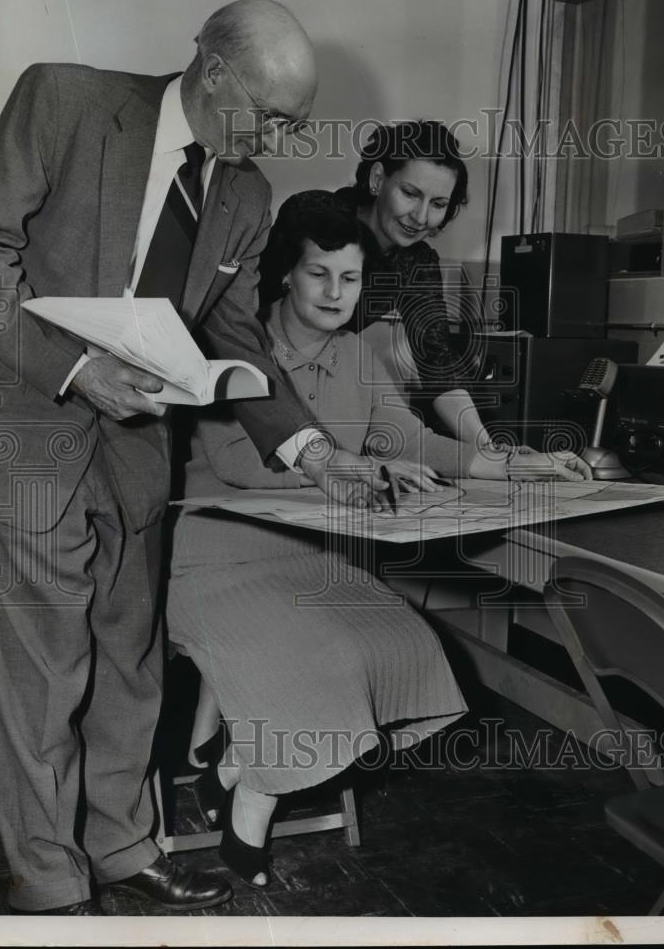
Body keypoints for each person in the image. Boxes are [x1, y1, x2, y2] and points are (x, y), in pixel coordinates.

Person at [0, 0, 386, 917]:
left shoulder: (244, 196)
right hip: (30, 424)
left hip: (140, 445)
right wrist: (76, 367)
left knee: (131, 656)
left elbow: (235, 328)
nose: (277, 138)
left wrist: (313, 451)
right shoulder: (65, 103)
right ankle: (47, 882)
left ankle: (121, 846)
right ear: (213, 70)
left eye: (294, 124)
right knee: (44, 671)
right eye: (270, 116)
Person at [166, 196, 590, 888]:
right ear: (284, 277)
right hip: (220, 554)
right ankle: (254, 795)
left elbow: (412, 439)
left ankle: (243, 757)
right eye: (319, 275)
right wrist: (357, 467)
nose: (336, 294)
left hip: (318, 556)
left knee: (403, 643)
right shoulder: (234, 348)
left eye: (352, 278)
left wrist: (514, 461)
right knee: (322, 654)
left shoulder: (359, 352)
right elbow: (238, 463)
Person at [259, 119, 498, 443]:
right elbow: (252, 310)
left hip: (324, 399)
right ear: (377, 178)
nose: (421, 217)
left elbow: (438, 362)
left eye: (438, 204)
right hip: (257, 379)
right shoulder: (312, 214)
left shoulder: (416, 262)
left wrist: (488, 447)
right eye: (410, 193)